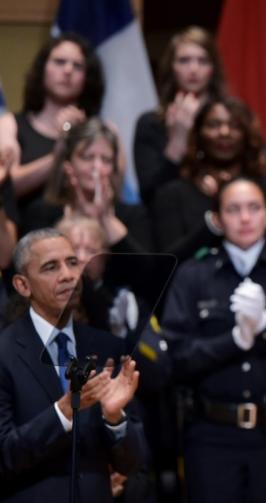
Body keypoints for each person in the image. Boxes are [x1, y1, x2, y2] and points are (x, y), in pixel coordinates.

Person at [160, 177, 266, 503]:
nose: (245, 218)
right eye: (233, 209)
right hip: (212, 434)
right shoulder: (194, 274)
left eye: (253, 208)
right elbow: (174, 359)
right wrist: (234, 341)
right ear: (217, 219)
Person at [0, 228, 146, 501]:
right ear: (22, 285)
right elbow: (4, 455)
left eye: (73, 262)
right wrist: (63, 412)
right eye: (50, 267)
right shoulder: (5, 353)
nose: (68, 275)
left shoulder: (107, 348)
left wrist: (114, 419)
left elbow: (134, 463)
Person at [152, 96, 266, 259]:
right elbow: (165, 266)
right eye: (213, 125)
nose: (224, 132)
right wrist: (212, 225)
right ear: (198, 134)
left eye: (235, 126)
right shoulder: (173, 194)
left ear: (247, 135)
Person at [22, 118, 153, 252]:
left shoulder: (133, 215)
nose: (97, 167)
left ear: (113, 168)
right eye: (87, 157)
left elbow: (148, 271)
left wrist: (106, 219)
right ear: (68, 164)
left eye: (106, 160)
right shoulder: (42, 213)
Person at [12, 33, 104, 218]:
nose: (68, 70)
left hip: (86, 233)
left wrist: (81, 136)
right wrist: (62, 148)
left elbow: (113, 189)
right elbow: (9, 187)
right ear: (43, 69)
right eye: (60, 62)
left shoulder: (103, 131)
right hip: (26, 234)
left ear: (87, 77)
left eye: (78, 66)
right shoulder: (11, 124)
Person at [134, 26, 227, 205]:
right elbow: (149, 193)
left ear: (213, 68)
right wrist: (178, 141)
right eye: (184, 60)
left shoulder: (228, 120)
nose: (194, 69)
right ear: (172, 67)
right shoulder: (151, 123)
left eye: (203, 61)